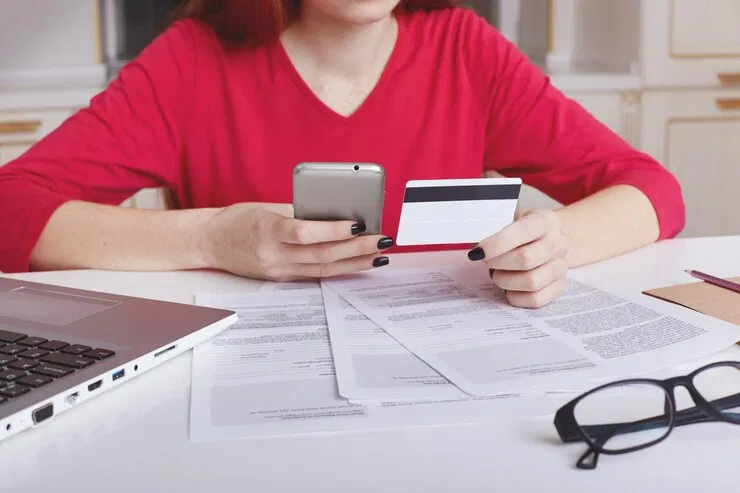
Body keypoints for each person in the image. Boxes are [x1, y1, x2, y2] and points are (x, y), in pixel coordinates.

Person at [0, 0, 685, 308]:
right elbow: (9, 210)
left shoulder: (465, 49)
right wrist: (213, 234)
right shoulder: (192, 62)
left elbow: (653, 190)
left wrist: (555, 242)